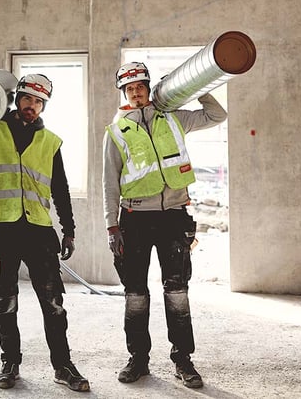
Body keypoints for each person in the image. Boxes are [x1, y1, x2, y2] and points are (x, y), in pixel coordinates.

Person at [0, 72, 90, 392]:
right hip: (0, 230)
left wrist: (69, 230)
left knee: (53, 304)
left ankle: (63, 366)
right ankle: (10, 363)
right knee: (5, 301)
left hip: (39, 231)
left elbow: (61, 190)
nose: (32, 106)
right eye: (28, 99)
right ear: (17, 99)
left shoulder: (50, 141)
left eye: (39, 102)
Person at [102, 62, 227, 389]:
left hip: (173, 216)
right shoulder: (116, 131)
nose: (136, 92)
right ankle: (138, 360)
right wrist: (111, 227)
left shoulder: (174, 118)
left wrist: (196, 88)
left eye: (140, 86)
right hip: (134, 219)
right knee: (136, 295)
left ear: (148, 87)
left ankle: (183, 360)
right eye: (129, 89)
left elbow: (217, 116)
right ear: (124, 94)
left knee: (177, 292)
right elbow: (109, 183)